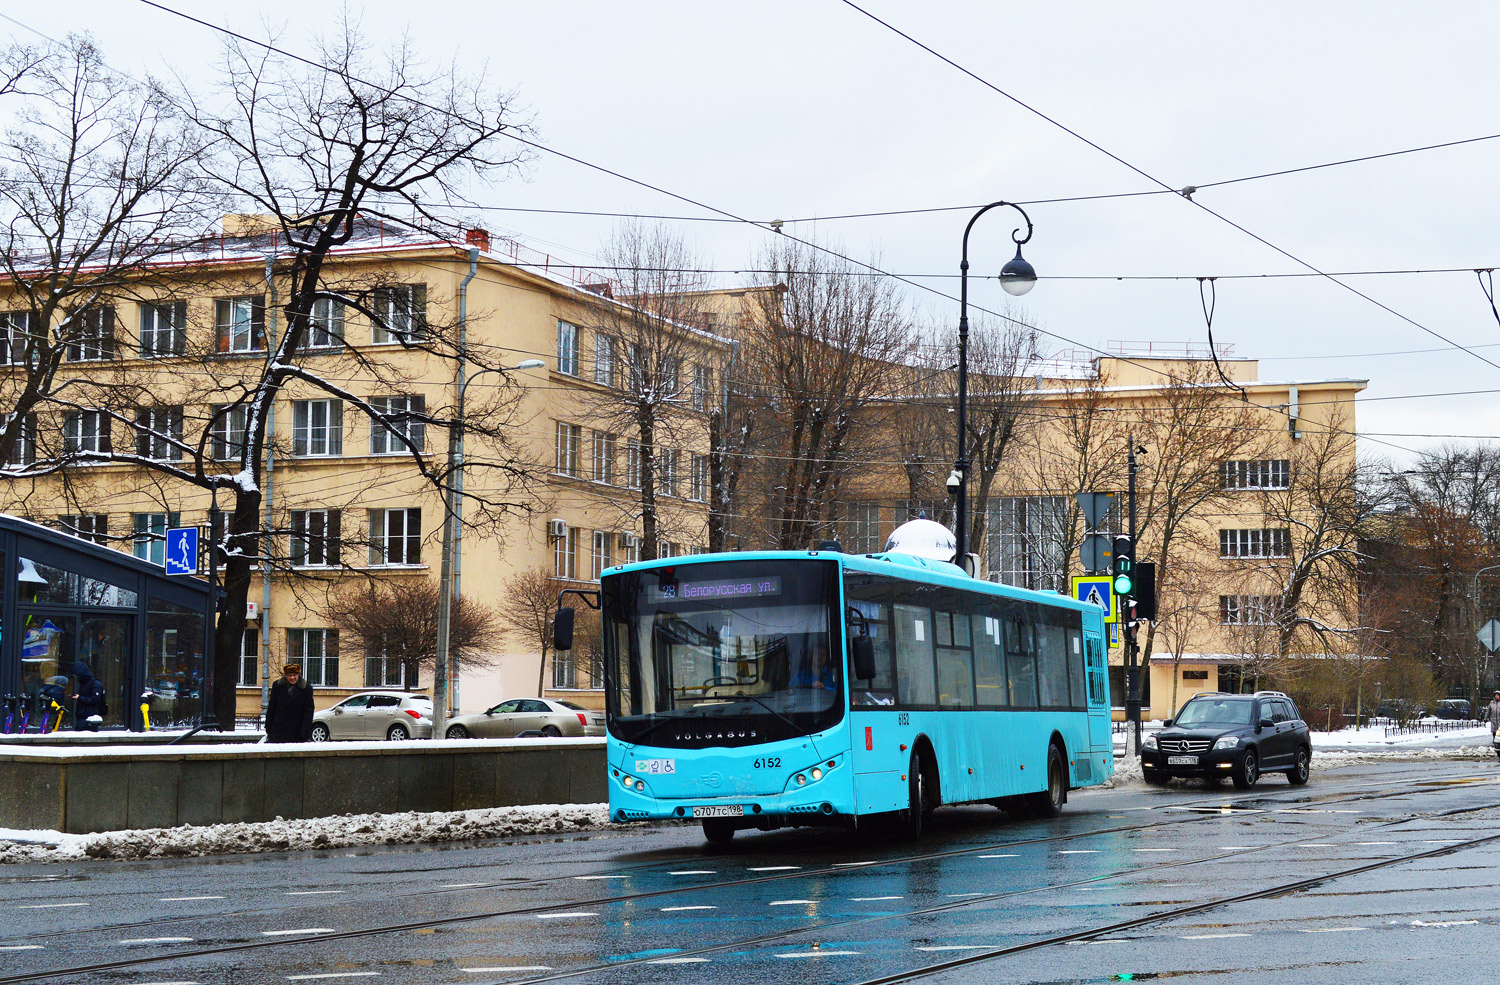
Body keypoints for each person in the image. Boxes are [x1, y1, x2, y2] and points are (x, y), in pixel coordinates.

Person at [265, 663, 314, 742]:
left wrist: (305, 731)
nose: (292, 678)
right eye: (289, 675)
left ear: (298, 675)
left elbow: (308, 712)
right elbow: (272, 707)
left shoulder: (306, 688)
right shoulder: (277, 686)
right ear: (285, 675)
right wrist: (268, 726)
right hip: (278, 731)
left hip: (297, 732)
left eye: (294, 675)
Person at [71, 662, 106, 731]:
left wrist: (80, 698)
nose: (77, 678)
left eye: (78, 676)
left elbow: (95, 699)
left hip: (90, 718)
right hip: (82, 716)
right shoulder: (84, 684)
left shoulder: (94, 684)